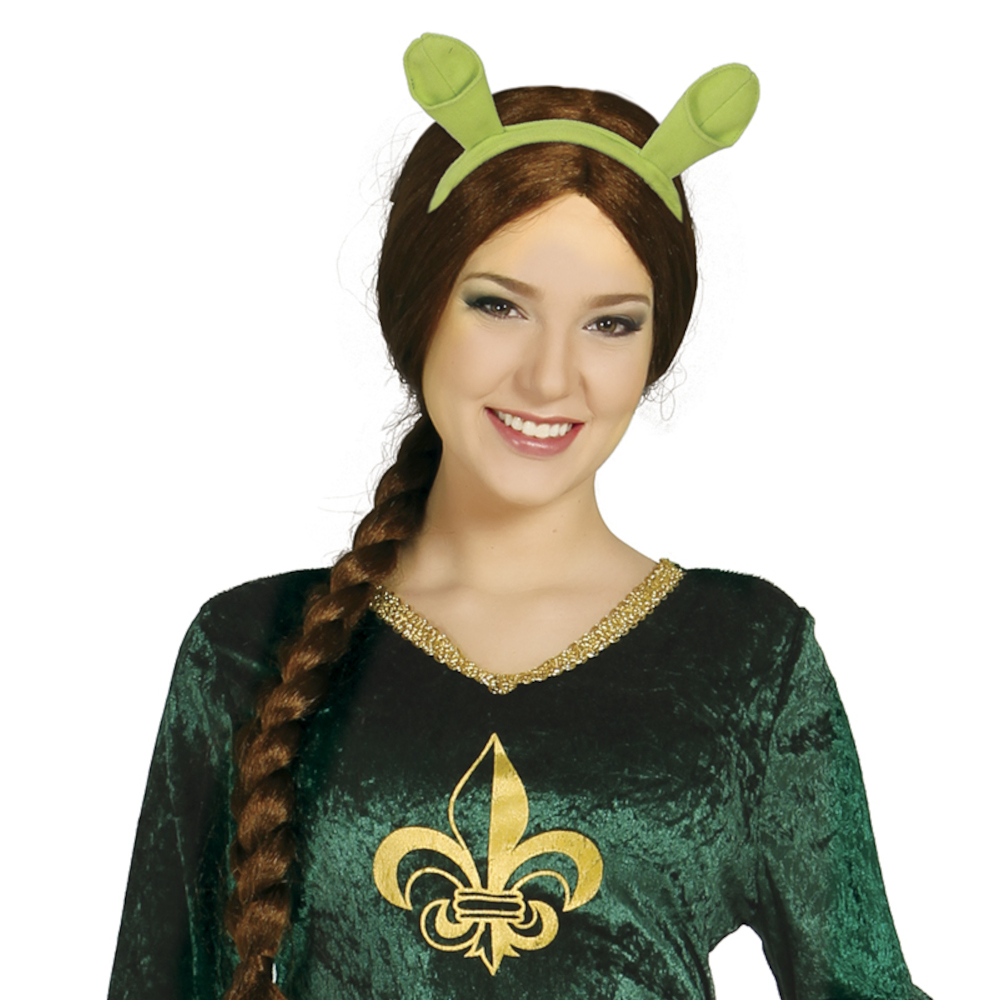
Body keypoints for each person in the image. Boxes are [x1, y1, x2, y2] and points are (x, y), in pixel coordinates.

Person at [108, 33, 931, 1000]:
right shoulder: (247, 648)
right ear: (419, 310)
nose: (550, 377)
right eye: (500, 306)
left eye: (611, 323)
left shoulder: (747, 660)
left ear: (655, 348)